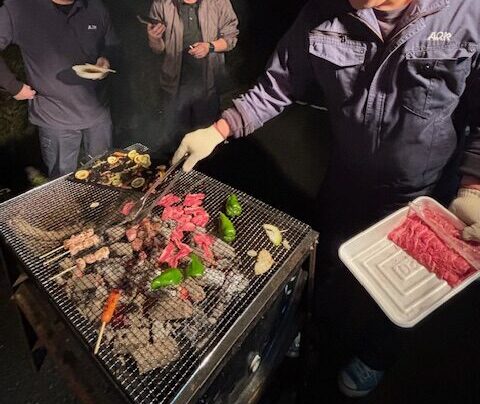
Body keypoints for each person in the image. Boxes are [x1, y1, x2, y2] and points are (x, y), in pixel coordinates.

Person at [171, 0, 480, 397]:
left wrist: (474, 187)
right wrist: (219, 129)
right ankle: (314, 331)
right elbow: (278, 84)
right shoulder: (321, 13)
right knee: (328, 264)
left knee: (405, 290)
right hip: (347, 177)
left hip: (423, 189)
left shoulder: (466, 13)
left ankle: (376, 356)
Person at [0, 0, 119, 178]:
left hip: (98, 114)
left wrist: (106, 59)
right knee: (63, 180)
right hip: (55, 116)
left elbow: (112, 44)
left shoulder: (94, 7)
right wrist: (13, 86)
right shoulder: (19, 8)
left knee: (105, 174)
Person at [146, 0, 238, 155]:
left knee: (206, 143)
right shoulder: (162, 4)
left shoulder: (218, 2)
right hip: (173, 85)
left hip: (207, 85)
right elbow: (158, 50)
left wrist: (209, 46)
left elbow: (231, 38)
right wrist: (154, 39)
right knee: (175, 141)